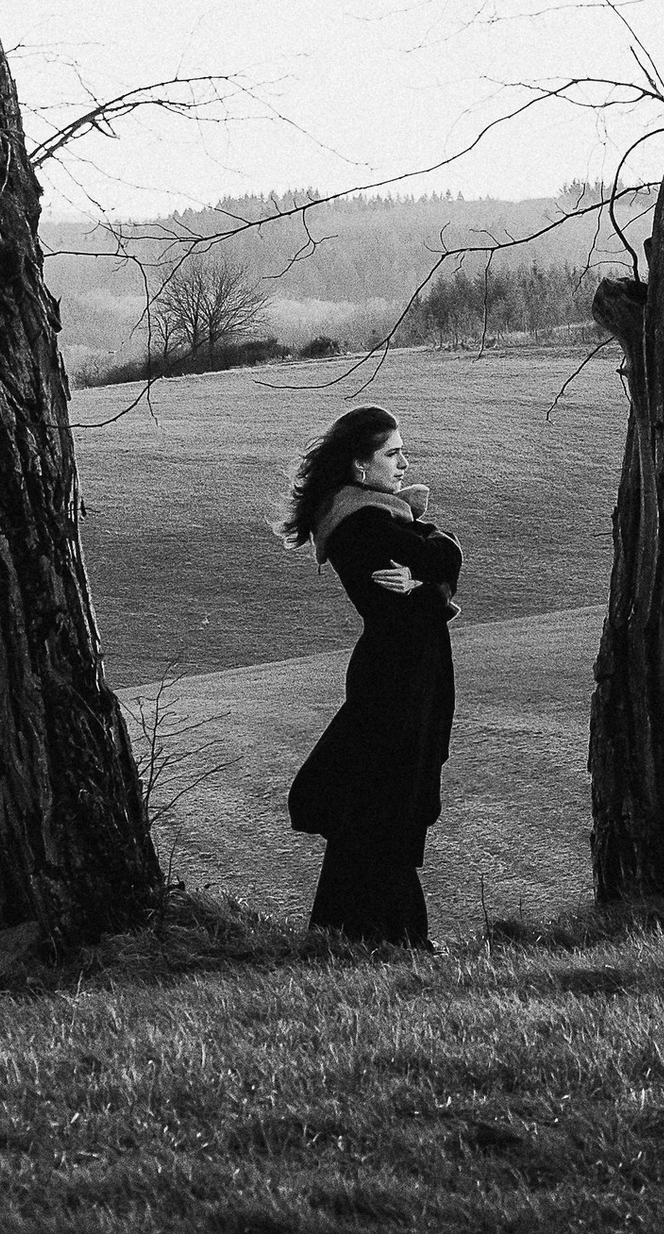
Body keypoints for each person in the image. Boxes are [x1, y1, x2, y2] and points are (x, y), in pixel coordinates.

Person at [278, 404, 462, 947]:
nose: (404, 463)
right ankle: (404, 940)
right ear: (361, 466)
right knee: (387, 806)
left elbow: (440, 554)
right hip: (397, 678)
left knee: (373, 803)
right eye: (393, 453)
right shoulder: (363, 523)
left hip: (402, 671)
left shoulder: (374, 513)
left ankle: (340, 931)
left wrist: (431, 580)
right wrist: (434, 585)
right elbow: (441, 559)